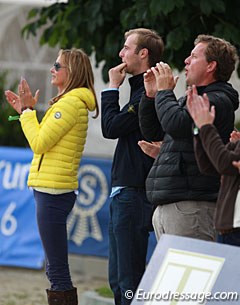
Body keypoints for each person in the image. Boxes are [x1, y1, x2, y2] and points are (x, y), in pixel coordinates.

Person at [5, 48, 98, 305]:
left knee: (57, 271)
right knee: (55, 269)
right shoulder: (69, 102)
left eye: (57, 65)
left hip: (53, 191)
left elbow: (39, 143)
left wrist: (26, 113)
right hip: (52, 189)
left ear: (72, 73)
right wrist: (27, 112)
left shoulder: (69, 104)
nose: (51, 69)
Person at [138, 34, 239, 241]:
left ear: (211, 66)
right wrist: (151, 97)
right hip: (174, 202)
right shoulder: (192, 97)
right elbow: (154, 132)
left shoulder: (216, 99)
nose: (186, 60)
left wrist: (165, 92)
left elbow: (175, 124)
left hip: (192, 204)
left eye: (193, 56)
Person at [101, 28, 164, 305]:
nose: (120, 53)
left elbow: (110, 127)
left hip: (135, 194)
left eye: (126, 47)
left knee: (129, 280)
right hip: (124, 192)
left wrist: (112, 87)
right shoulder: (138, 91)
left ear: (143, 53)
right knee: (117, 279)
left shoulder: (146, 96)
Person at [187, 85, 240, 246]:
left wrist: (206, 127)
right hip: (228, 227)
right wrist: (198, 128)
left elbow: (224, 163)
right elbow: (209, 165)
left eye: (194, 57)